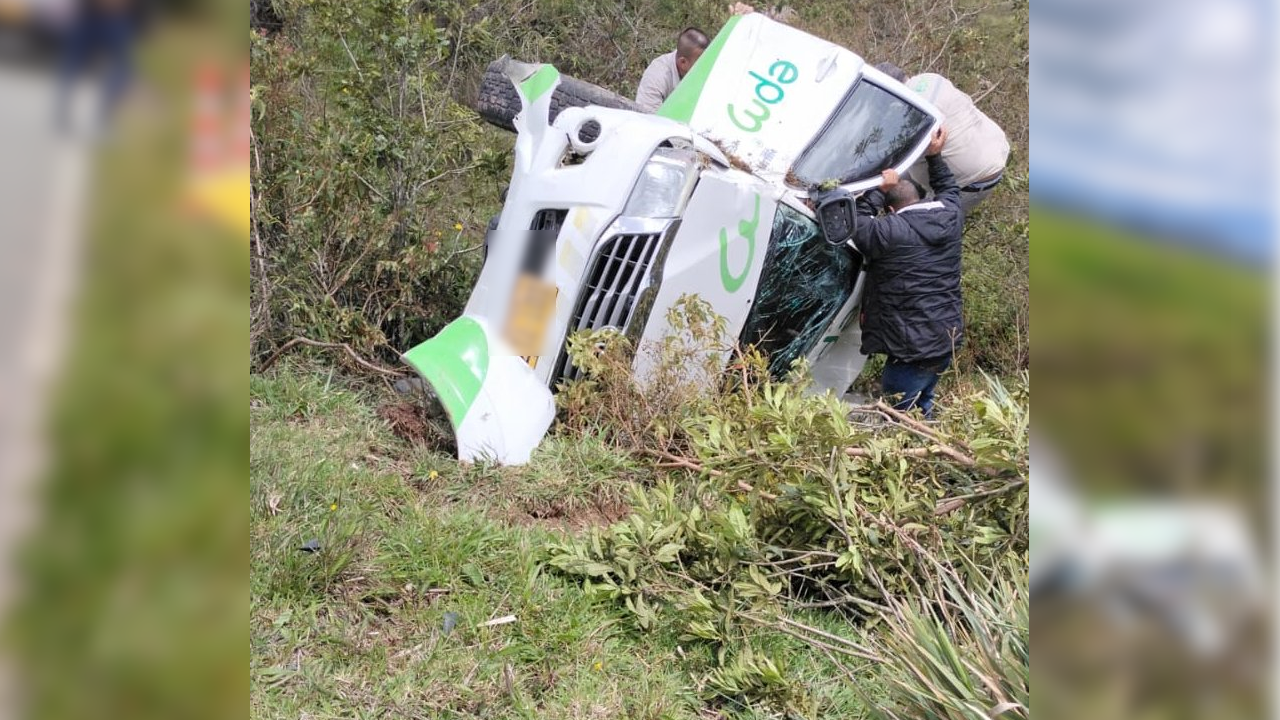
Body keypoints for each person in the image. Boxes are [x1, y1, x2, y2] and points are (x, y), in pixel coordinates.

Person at [847, 127, 963, 417]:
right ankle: (932, 453)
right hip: (943, 340)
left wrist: (877, 190)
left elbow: (857, 223)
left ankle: (911, 455)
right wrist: (935, 157)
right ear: (920, 196)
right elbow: (950, 189)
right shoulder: (950, 216)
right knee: (923, 405)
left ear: (889, 209)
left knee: (898, 418)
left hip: (913, 350)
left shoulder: (889, 231)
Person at [874, 62, 1009, 213]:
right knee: (895, 180)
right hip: (993, 145)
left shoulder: (908, 112)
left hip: (971, 180)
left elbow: (886, 152)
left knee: (924, 228)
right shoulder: (929, 78)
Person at [634, 27, 709, 112]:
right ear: (683, 62)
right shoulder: (657, 77)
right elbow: (648, 119)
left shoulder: (705, 70)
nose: (706, 65)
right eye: (700, 62)